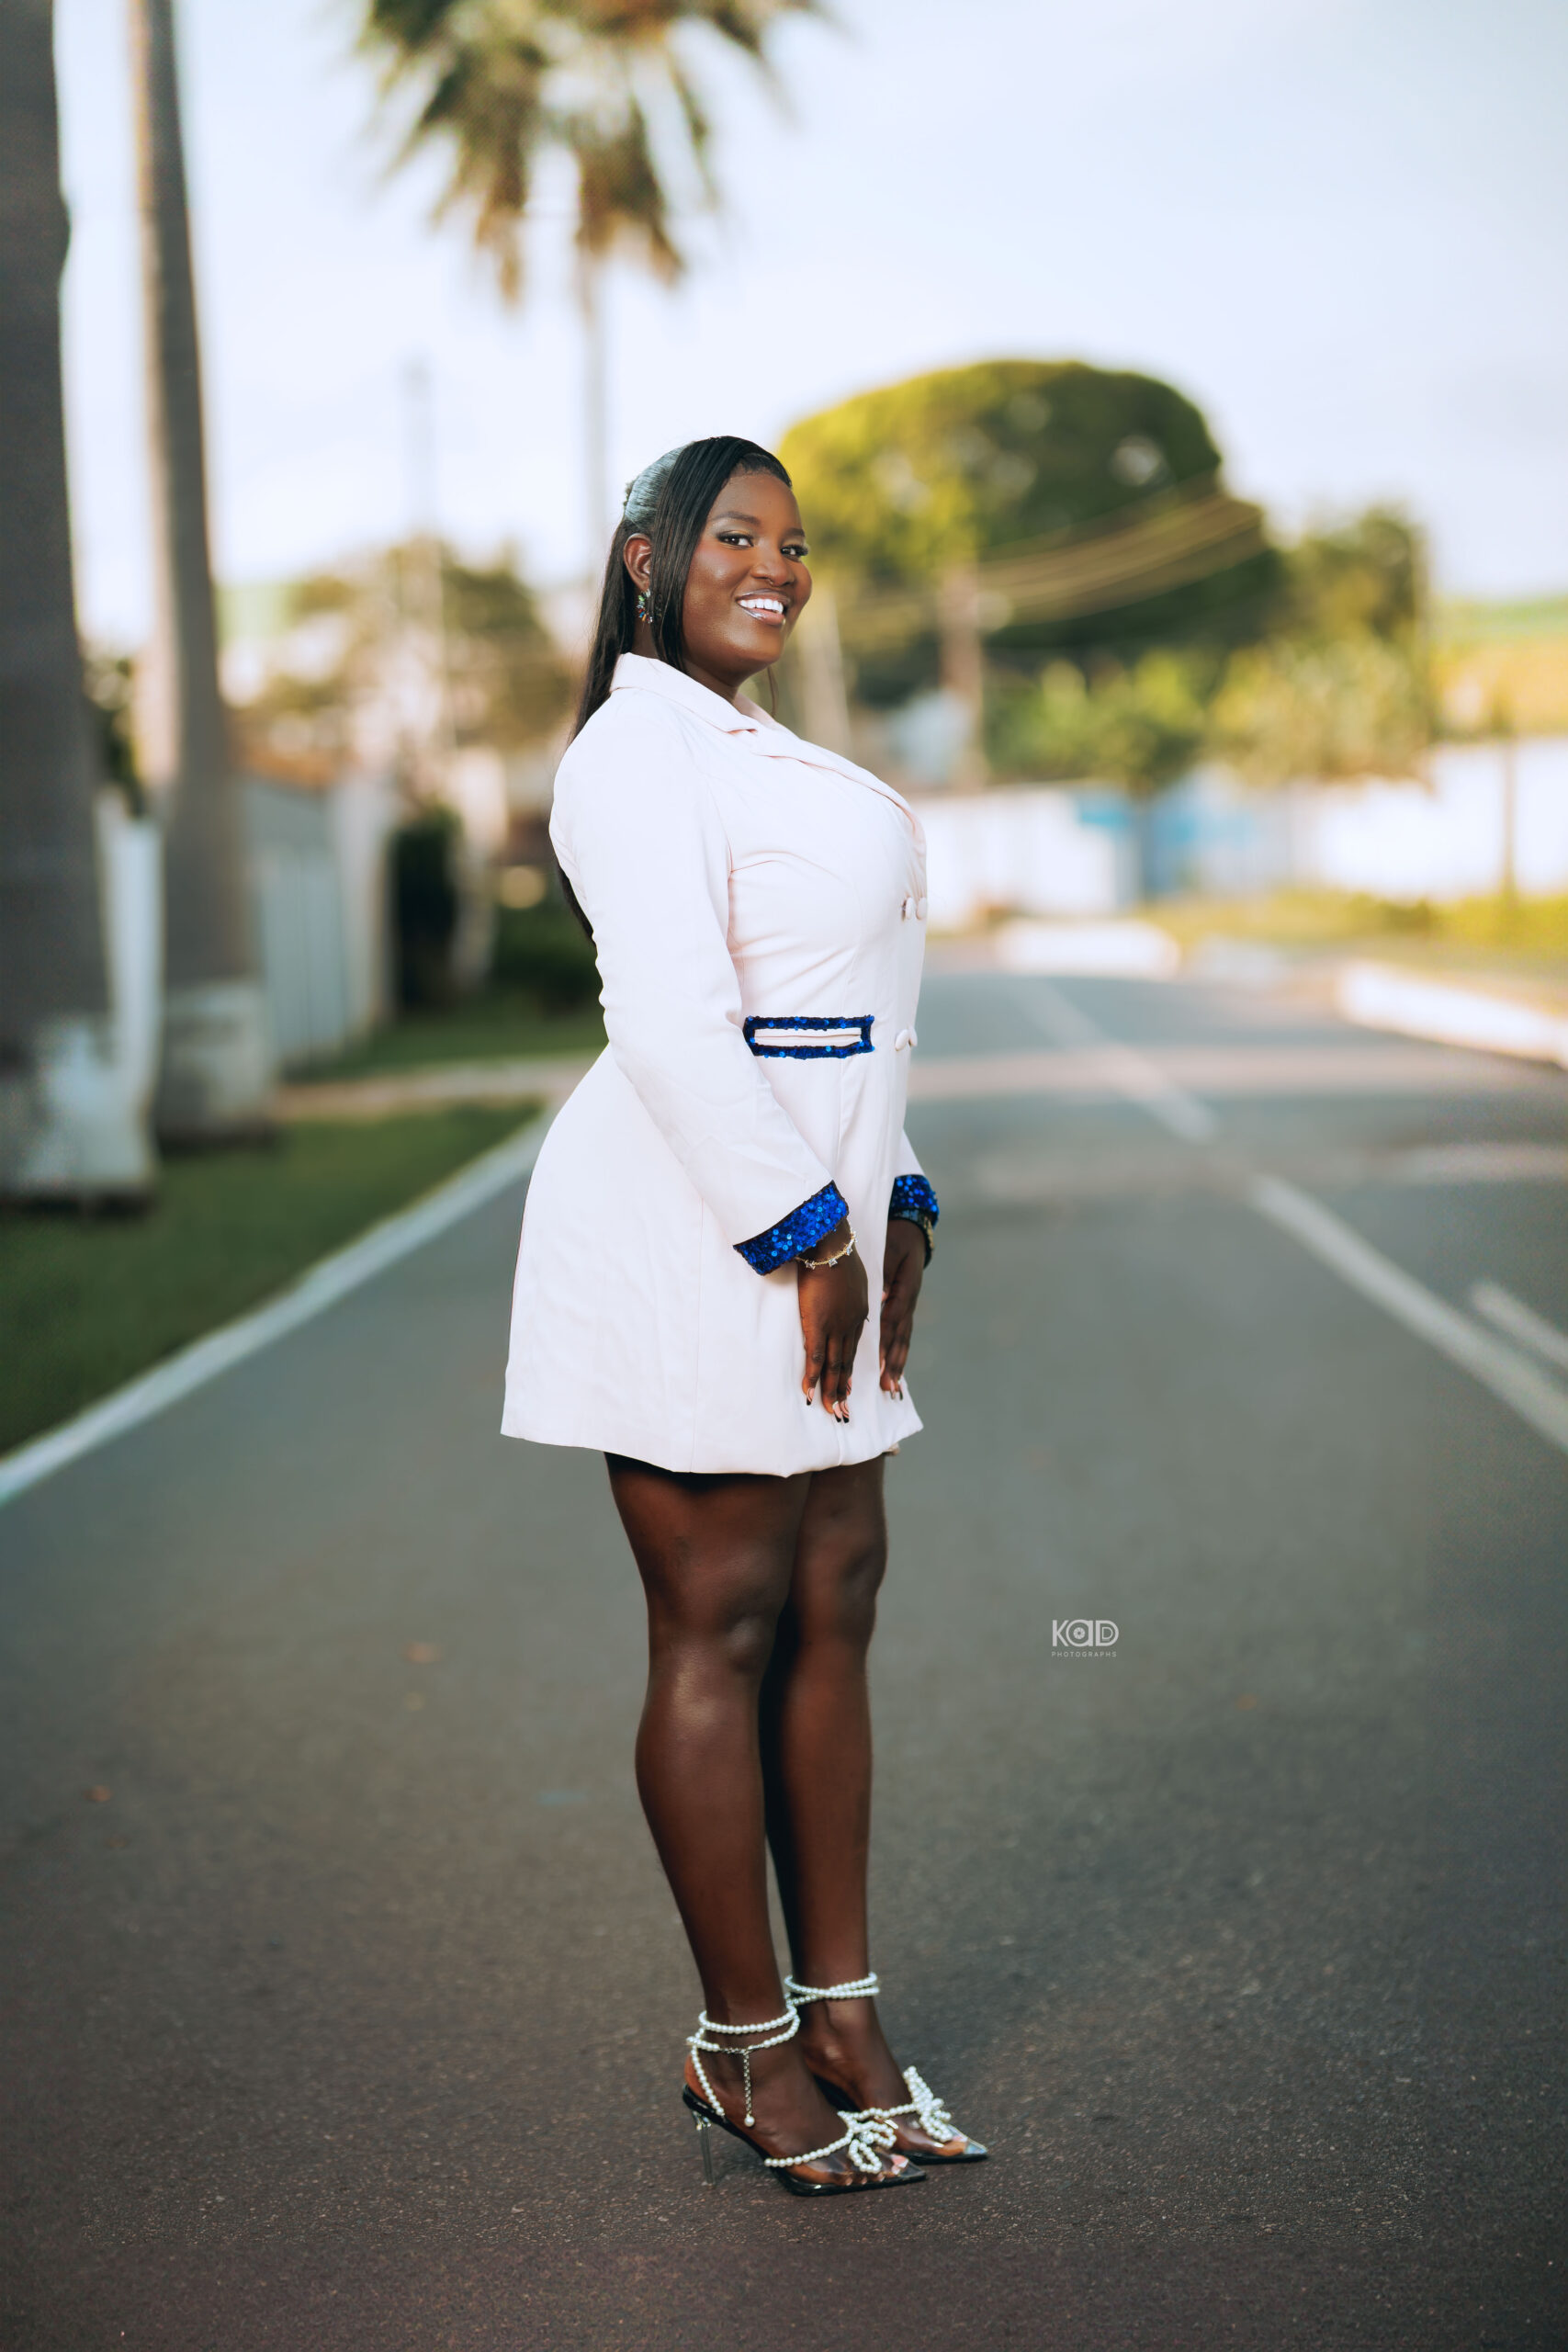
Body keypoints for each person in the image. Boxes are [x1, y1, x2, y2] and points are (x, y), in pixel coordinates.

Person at [502, 435, 985, 2196]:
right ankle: (744, 2040)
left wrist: (896, 1194)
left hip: (820, 1219)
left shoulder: (759, 747)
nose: (774, 565)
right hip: (698, 1229)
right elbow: (673, 1023)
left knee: (834, 1601)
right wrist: (805, 1231)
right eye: (734, 535)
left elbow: (841, 1020)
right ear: (648, 560)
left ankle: (845, 2017)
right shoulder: (633, 753)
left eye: (793, 542)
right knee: (719, 1623)